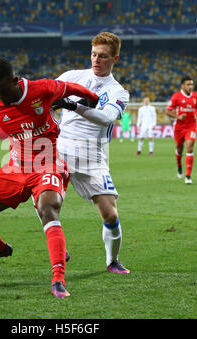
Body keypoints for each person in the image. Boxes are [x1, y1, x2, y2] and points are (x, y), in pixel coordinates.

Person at [0, 57, 98, 298]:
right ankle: (0, 249)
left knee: (48, 208)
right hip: (15, 169)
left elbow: (71, 89)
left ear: (15, 80)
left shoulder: (42, 88)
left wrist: (91, 99)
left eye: (2, 90)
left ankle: (58, 279)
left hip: (49, 164)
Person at [54, 32, 130, 274]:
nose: (97, 60)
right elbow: (43, 95)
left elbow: (106, 117)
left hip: (92, 155)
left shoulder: (118, 92)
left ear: (115, 58)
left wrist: (73, 106)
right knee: (46, 202)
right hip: (61, 147)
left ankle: (112, 260)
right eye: (94, 54)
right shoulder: (72, 77)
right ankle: (58, 246)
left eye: (104, 56)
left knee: (109, 213)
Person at [166, 76, 197, 184]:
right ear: (183, 85)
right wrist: (177, 116)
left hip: (191, 126)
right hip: (179, 127)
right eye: (188, 84)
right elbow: (168, 111)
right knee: (179, 148)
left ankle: (188, 176)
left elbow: (195, 108)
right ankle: (179, 165)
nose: (190, 87)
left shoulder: (196, 96)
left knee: (190, 147)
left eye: (191, 84)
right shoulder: (176, 97)